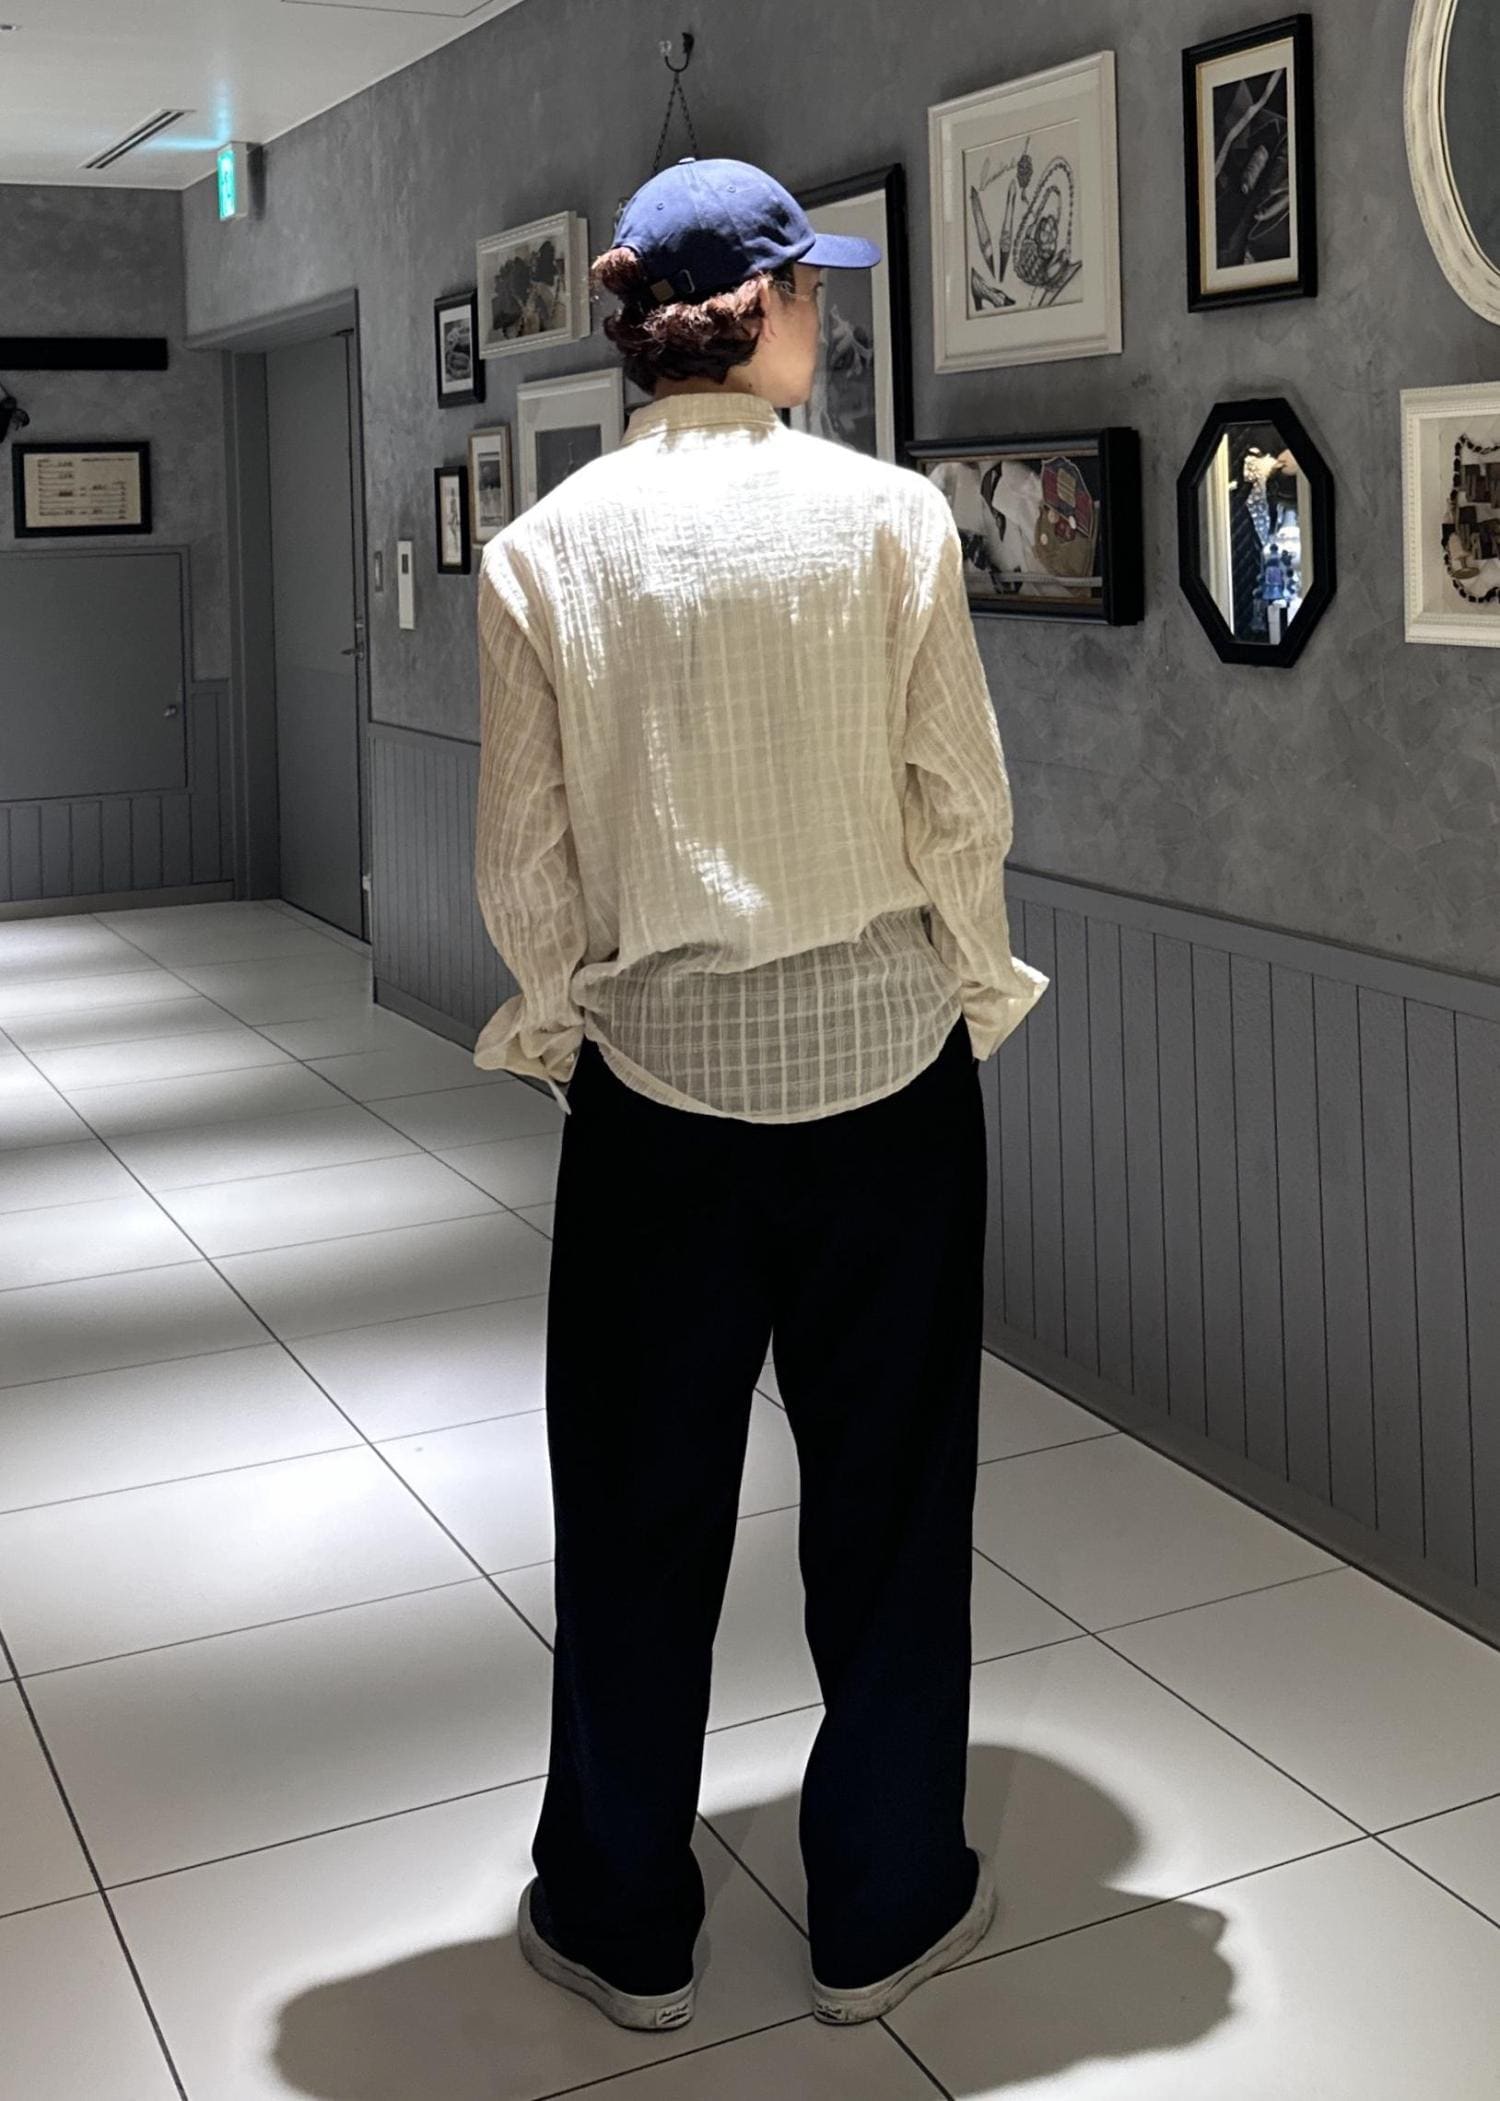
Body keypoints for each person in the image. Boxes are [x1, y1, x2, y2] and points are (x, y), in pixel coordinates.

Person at [472, 156, 1047, 2035]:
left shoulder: (546, 552)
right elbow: (959, 808)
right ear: (773, 309)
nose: (829, 318)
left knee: (636, 1516)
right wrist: (972, 990)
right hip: (888, 1091)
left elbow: (528, 865)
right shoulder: (893, 521)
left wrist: (565, 1032)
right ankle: (882, 1903)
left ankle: (619, 1914)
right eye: (819, 291)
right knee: (892, 1508)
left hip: (657, 1103)